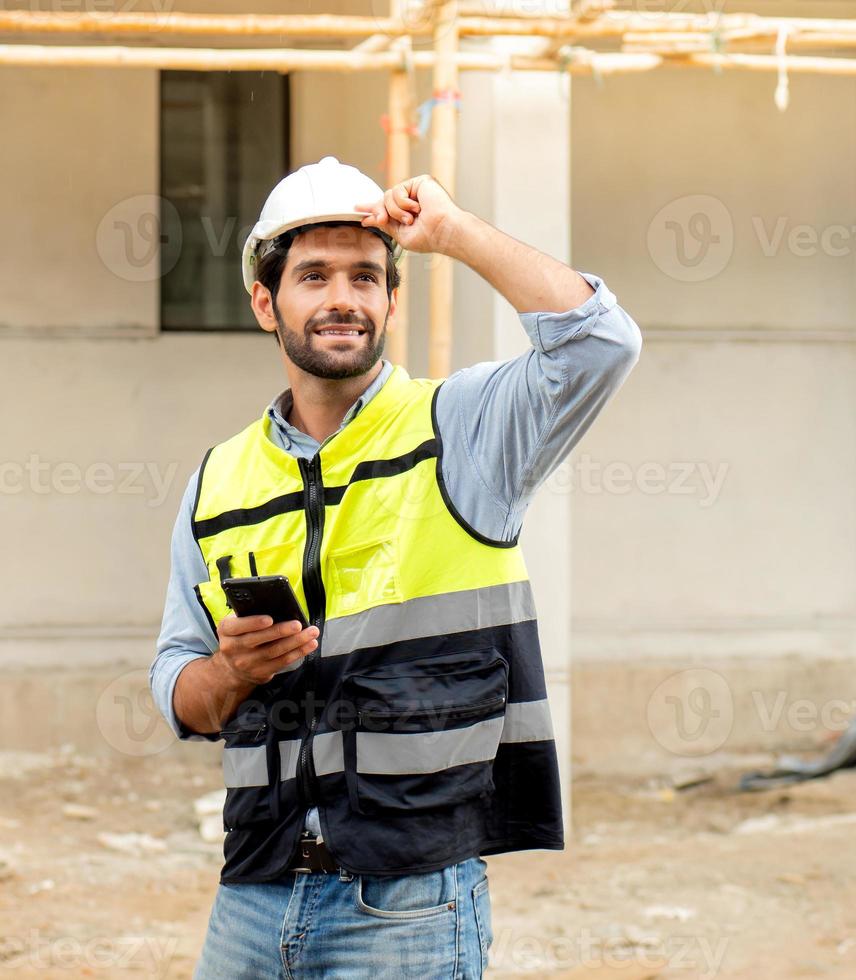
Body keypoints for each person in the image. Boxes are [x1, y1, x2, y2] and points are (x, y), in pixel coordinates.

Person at [150, 155, 642, 979]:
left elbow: (600, 343)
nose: (343, 298)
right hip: (253, 892)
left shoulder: (462, 430)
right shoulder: (217, 479)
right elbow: (178, 687)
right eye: (314, 275)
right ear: (266, 302)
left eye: (366, 277)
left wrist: (453, 232)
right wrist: (230, 674)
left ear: (390, 299)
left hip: (409, 905)